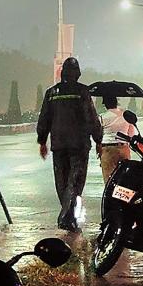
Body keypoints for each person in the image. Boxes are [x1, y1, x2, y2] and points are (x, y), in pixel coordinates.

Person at [37, 57, 102, 232]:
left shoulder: (51, 93)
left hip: (58, 144)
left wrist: (42, 141)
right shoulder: (82, 92)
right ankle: (66, 215)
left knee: (62, 181)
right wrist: (98, 139)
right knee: (76, 181)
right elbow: (91, 117)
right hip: (79, 145)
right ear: (78, 73)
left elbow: (44, 119)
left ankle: (68, 215)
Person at [99, 96, 134, 183]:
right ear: (116, 103)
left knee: (109, 179)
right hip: (124, 148)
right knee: (124, 178)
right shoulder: (126, 116)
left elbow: (98, 136)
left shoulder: (102, 117)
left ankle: (111, 196)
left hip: (107, 149)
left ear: (106, 105)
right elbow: (131, 135)